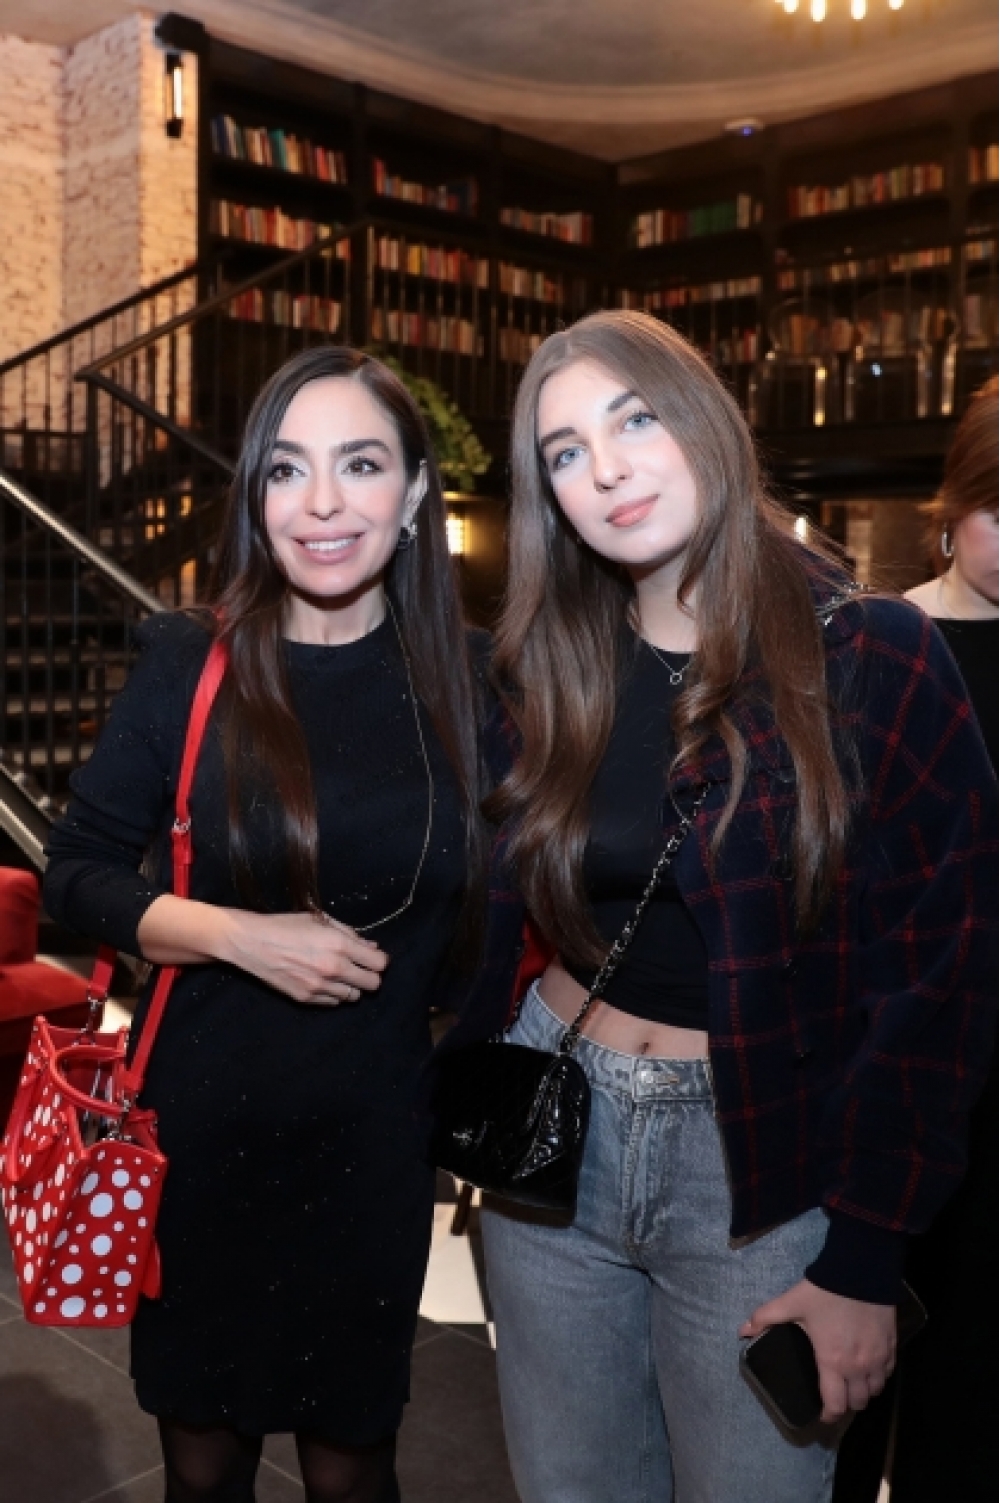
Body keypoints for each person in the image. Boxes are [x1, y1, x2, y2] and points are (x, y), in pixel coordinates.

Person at [442, 311, 997, 1503]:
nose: (606, 468)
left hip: (761, 1159)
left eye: (635, 418)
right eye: (565, 450)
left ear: (704, 421)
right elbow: (488, 913)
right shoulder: (541, 666)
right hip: (557, 1137)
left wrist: (865, 1257)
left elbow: (941, 984)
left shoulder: (877, 655)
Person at [43, 345, 487, 1503]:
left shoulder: (477, 685)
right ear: (256, 495)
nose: (322, 501)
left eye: (360, 464)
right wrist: (241, 934)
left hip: (371, 1146)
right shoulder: (189, 662)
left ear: (413, 493)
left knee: (354, 1469)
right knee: (202, 1469)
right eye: (288, 469)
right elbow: (75, 876)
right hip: (201, 1138)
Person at [834, 375, 999, 1503]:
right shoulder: (877, 644)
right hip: (890, 1045)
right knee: (844, 1378)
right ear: (952, 503)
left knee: (973, 1390)